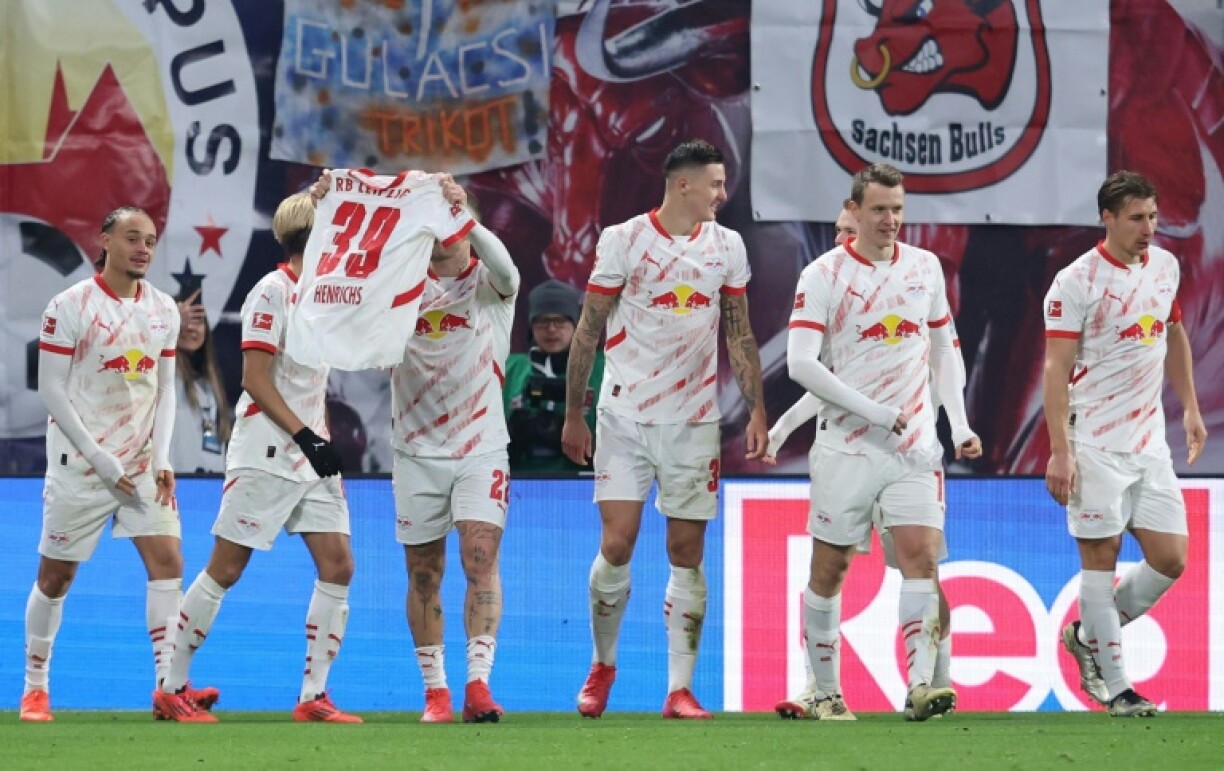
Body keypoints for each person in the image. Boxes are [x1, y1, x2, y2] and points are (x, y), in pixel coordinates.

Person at [562, 139, 769, 720]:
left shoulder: (727, 246)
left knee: (686, 550)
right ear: (683, 185)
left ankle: (679, 689)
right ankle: (603, 665)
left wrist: (756, 408)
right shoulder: (623, 240)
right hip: (623, 415)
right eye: (715, 184)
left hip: (693, 420)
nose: (723, 194)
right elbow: (588, 329)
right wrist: (574, 412)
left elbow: (740, 333)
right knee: (617, 543)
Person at [785, 164, 981, 722]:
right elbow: (800, 363)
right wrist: (872, 412)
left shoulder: (925, 268)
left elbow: (945, 351)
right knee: (830, 569)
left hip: (915, 448)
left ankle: (921, 685)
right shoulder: (822, 274)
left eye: (897, 209)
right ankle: (824, 691)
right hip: (846, 446)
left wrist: (959, 425)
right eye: (879, 210)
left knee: (921, 556)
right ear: (855, 210)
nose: (891, 220)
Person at [153, 192, 359, 723]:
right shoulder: (271, 292)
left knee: (338, 566)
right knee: (226, 567)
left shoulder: (324, 296)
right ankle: (171, 687)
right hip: (267, 446)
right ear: (314, 239)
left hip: (310, 453)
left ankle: (313, 696)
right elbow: (255, 379)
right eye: (333, 230)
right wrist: (306, 437)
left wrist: (318, 439)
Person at [21, 207, 218, 722]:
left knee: (168, 562)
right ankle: (36, 688)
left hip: (141, 465)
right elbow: (50, 389)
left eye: (150, 241)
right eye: (132, 238)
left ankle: (168, 687)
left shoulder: (163, 311)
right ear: (104, 239)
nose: (143, 249)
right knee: (56, 578)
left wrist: (161, 455)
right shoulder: (68, 306)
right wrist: (98, 456)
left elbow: (164, 390)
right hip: (80, 464)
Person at [1044, 170, 1206, 718]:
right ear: (1107, 218)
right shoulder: (1076, 282)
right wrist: (1060, 451)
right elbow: (1054, 369)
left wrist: (1189, 408)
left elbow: (1174, 332)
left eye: (1153, 217)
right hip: (1092, 443)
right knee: (1101, 557)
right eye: (1137, 218)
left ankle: (1089, 637)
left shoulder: (1165, 267)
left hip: (1149, 444)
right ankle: (1116, 688)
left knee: (1171, 558)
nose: (1148, 229)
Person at [385, 182, 521, 724]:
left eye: (453, 225)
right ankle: (435, 692)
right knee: (423, 572)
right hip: (415, 450)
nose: (441, 235)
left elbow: (508, 269)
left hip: (480, 446)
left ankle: (478, 685)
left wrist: (460, 213)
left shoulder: (491, 288)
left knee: (480, 560)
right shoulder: (398, 291)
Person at [503, 280, 603, 473]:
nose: (551, 329)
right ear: (531, 327)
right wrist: (513, 433)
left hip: (582, 482)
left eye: (560, 321)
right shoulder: (511, 367)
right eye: (542, 322)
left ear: (576, 325)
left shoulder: (602, 367)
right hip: (520, 481)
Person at [170, 288, 231, 474]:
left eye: (197, 321)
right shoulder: (162, 373)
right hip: (174, 485)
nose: (189, 328)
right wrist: (171, 319)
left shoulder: (210, 384)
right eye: (183, 322)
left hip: (209, 487)